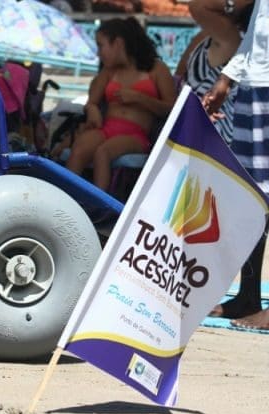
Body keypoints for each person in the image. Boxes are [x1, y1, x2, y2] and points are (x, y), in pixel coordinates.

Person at [201, 0, 269, 330]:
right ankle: (249, 295)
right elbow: (258, 31)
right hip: (255, 86)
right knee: (253, 197)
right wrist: (227, 79)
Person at [57, 17, 177, 191]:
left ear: (118, 43)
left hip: (136, 134)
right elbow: (92, 101)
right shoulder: (108, 71)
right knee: (79, 149)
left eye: (101, 45)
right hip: (108, 128)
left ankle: (100, 206)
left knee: (102, 153)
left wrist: (139, 98)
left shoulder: (156, 68)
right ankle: (65, 203)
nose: (99, 53)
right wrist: (92, 110)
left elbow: (171, 108)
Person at [176, 0, 254, 144]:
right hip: (198, 131)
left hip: (209, 139)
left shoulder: (231, 37)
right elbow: (180, 76)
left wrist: (235, 5)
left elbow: (198, 6)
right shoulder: (213, 36)